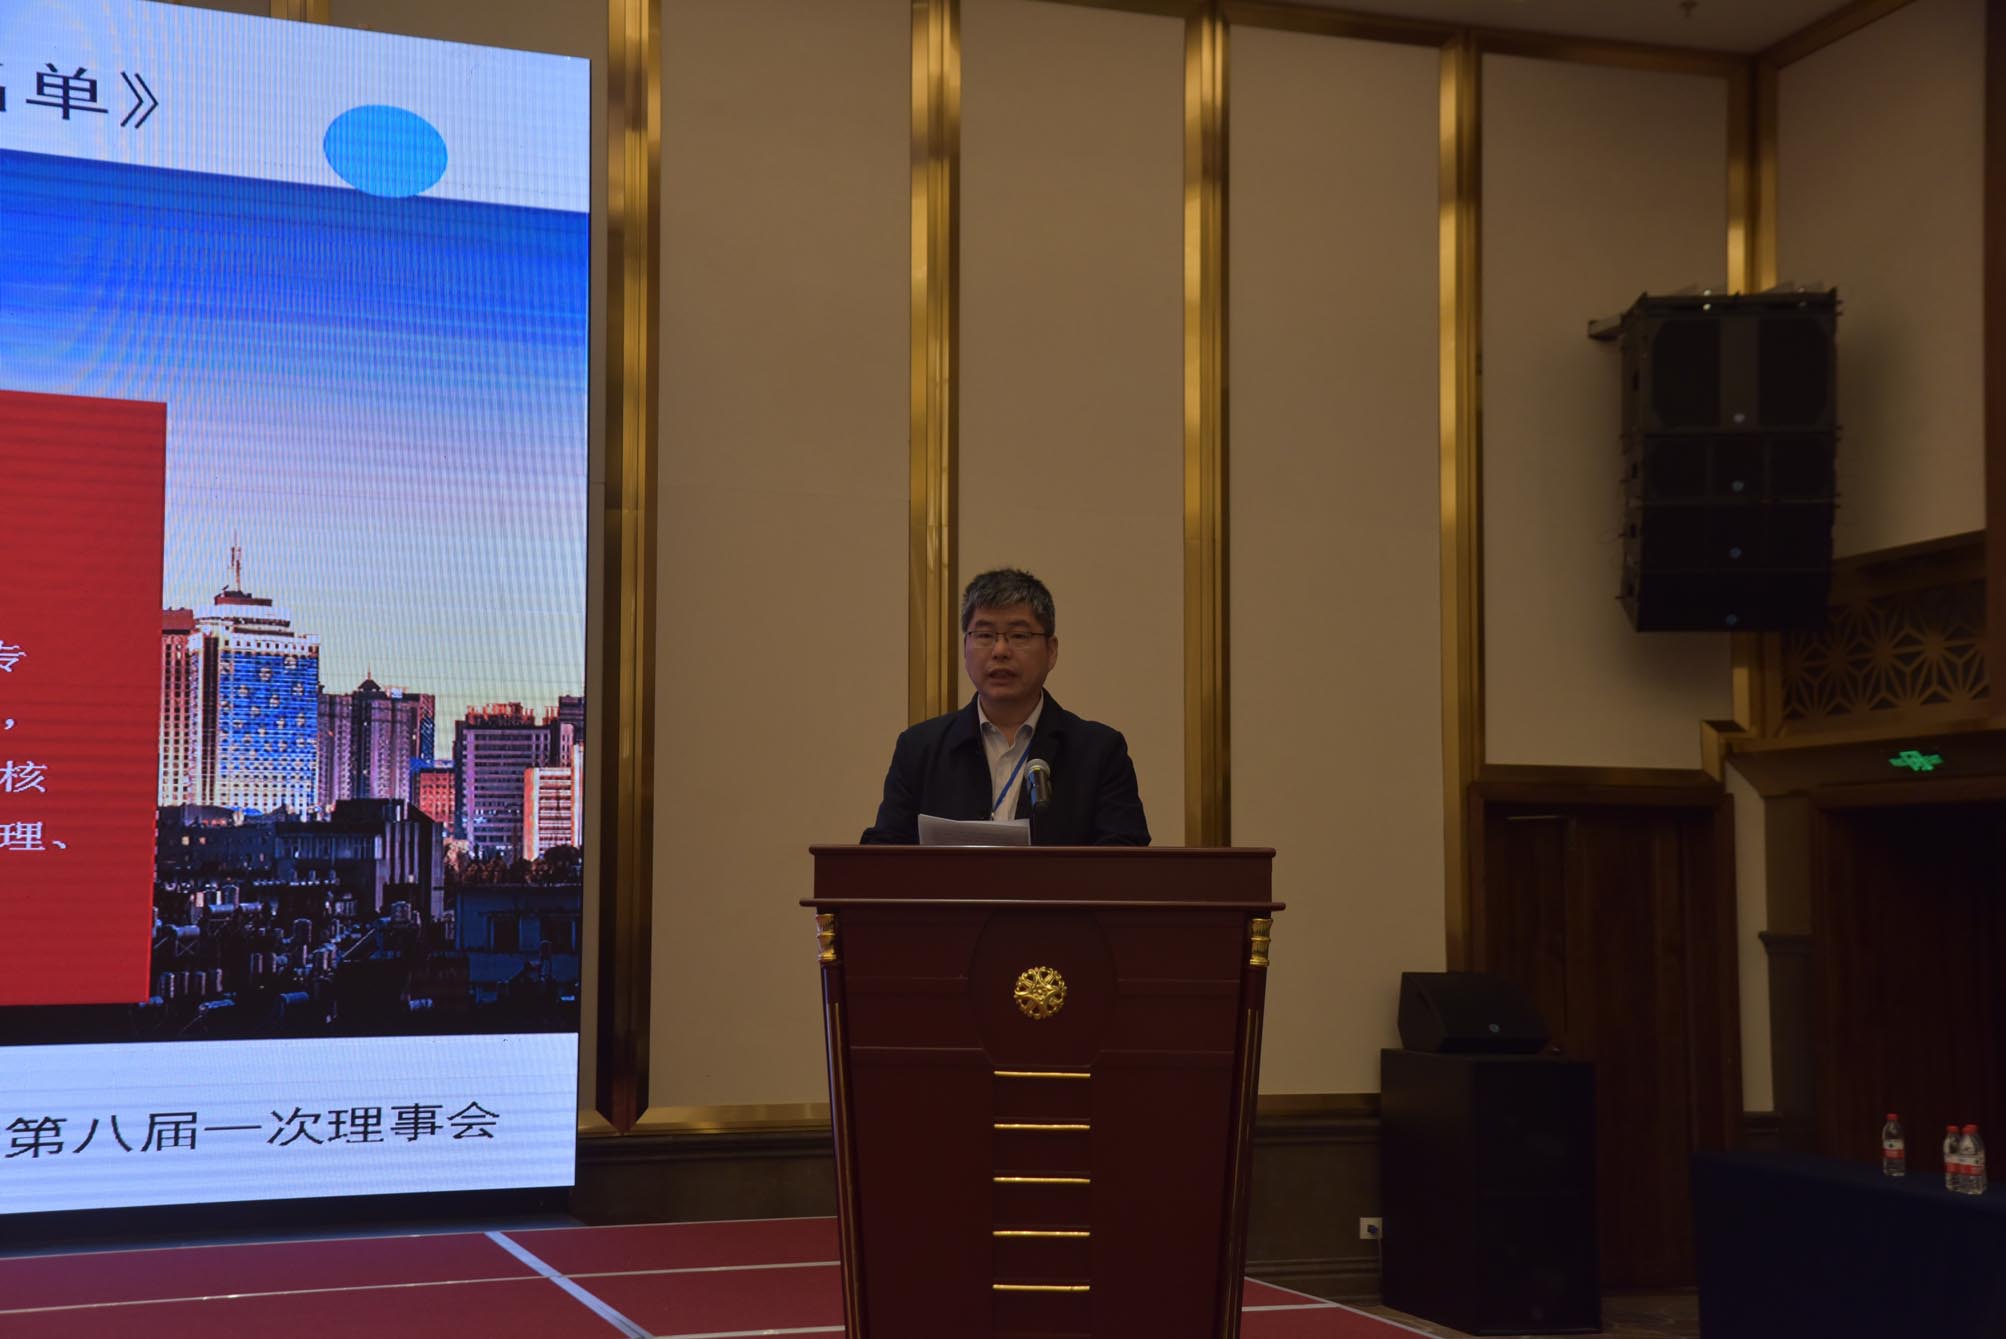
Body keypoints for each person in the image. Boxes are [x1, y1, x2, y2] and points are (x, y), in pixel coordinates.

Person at [860, 568, 1149, 845]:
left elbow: (1124, 859)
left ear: (1051, 651)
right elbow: (883, 854)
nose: (1000, 651)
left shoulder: (1099, 752)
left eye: (1019, 636)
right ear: (965, 649)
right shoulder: (919, 749)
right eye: (985, 635)